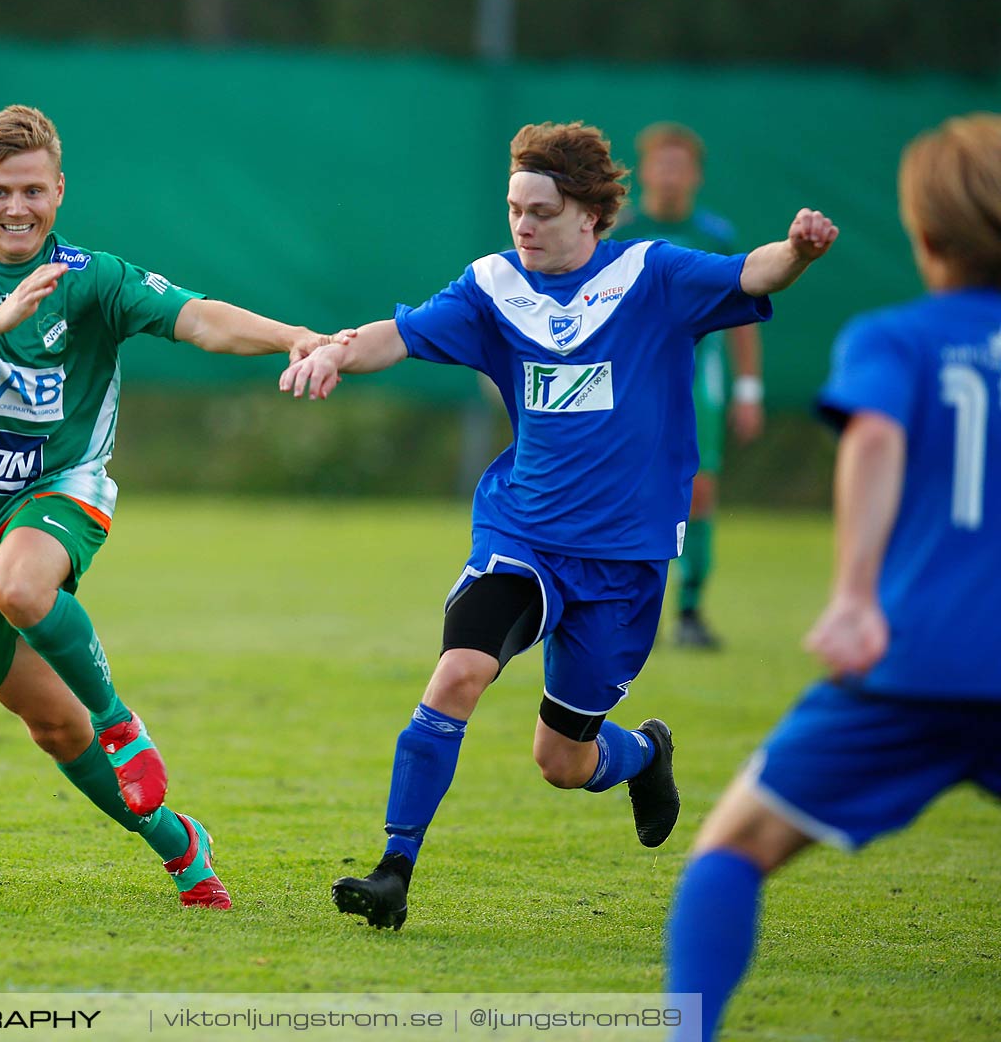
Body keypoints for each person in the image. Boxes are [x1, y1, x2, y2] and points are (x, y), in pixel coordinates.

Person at [279, 121, 837, 930]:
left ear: (590, 215)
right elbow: (395, 335)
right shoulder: (493, 286)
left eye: (540, 211)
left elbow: (754, 271)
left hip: (623, 561)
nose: (523, 226)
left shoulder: (653, 275)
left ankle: (643, 754)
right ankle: (394, 868)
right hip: (523, 533)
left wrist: (800, 251)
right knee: (457, 675)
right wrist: (334, 351)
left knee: (562, 761)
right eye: (514, 209)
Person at [0, 104, 344, 910]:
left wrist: (289, 336)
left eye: (32, 190)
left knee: (23, 588)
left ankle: (123, 723)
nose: (16, 208)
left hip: (63, 487)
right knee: (55, 730)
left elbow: (197, 318)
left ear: (59, 190)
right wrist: (1, 319)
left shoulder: (94, 278)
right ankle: (181, 846)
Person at [664, 112, 1001, 1041]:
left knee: (731, 852)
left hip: (911, 659)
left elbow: (880, 436)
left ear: (926, 236)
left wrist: (853, 594)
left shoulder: (895, 340)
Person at [615, 124, 764, 650]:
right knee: (626, 487)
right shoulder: (621, 229)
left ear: (696, 176)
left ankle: (690, 612)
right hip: (635, 381)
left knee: (699, 492)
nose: (671, 175)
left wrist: (749, 388)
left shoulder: (716, 236)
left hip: (700, 381)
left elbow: (743, 309)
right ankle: (623, 606)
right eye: (662, 164)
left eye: (681, 165)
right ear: (645, 172)